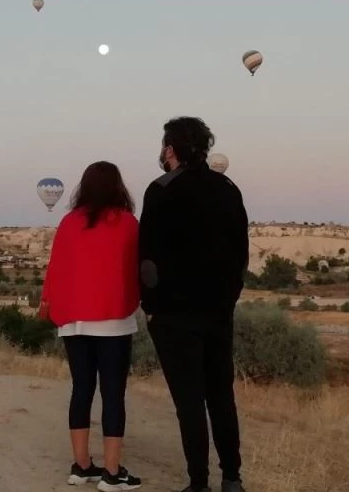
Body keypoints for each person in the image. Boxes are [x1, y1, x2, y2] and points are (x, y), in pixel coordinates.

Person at [139, 117, 249, 492]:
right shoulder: (228, 188)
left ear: (170, 149)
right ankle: (232, 479)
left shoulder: (161, 189)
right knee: (222, 397)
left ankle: (198, 483)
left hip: (174, 314)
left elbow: (148, 258)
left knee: (190, 402)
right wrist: (229, 299)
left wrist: (150, 305)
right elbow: (240, 254)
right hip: (218, 311)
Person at [42, 161, 142, 492]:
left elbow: (56, 267)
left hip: (73, 320)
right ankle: (112, 473)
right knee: (113, 394)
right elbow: (135, 269)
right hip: (113, 319)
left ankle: (82, 466)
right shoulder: (127, 223)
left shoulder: (69, 222)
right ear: (118, 186)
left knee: (81, 390)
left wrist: (51, 303)